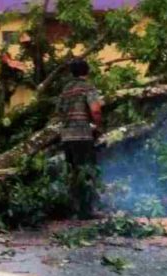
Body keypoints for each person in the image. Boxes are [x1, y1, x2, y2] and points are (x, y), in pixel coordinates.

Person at [53, 59, 102, 218]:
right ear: (87, 71)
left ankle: (72, 209)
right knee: (86, 172)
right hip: (82, 135)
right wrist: (98, 127)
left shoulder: (65, 90)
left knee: (73, 173)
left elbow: (58, 113)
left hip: (67, 136)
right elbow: (95, 110)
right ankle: (86, 211)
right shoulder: (88, 87)